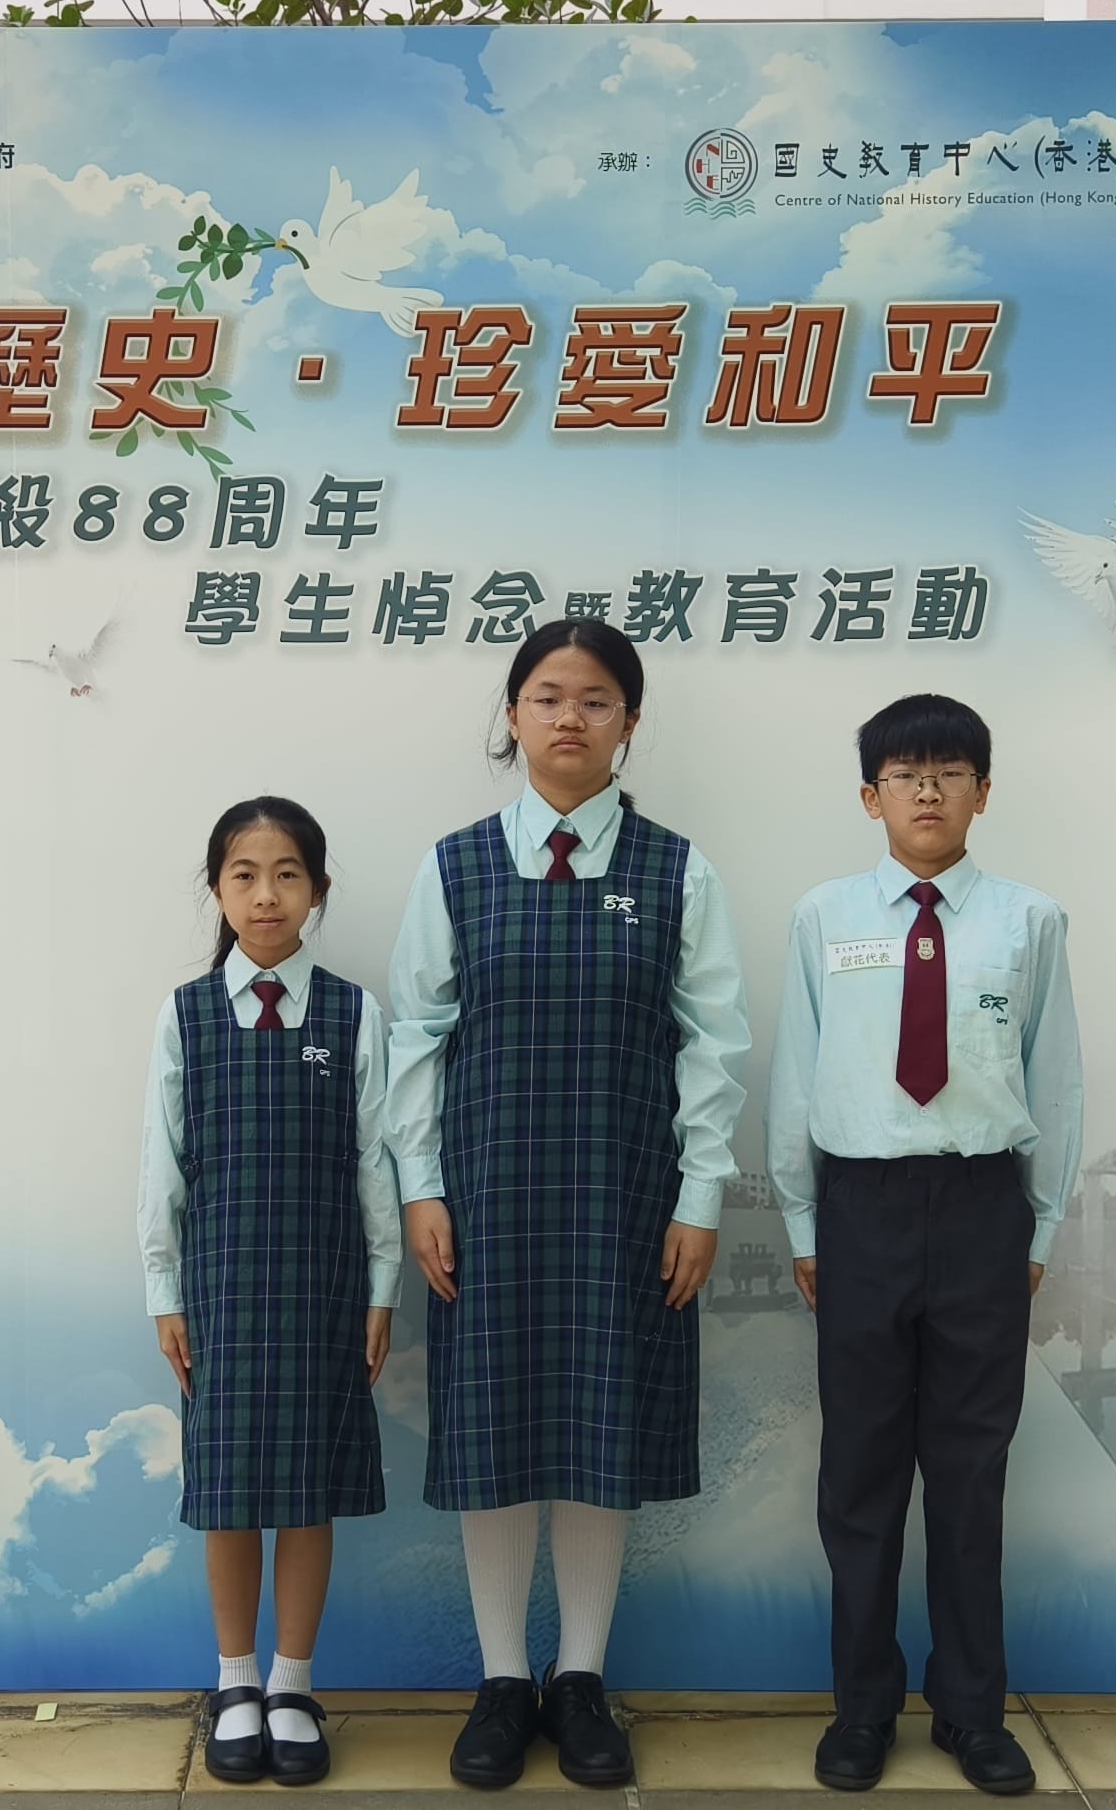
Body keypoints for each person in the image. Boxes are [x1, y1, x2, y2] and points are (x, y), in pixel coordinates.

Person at [388, 617, 749, 1790]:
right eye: (546, 696)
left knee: (602, 1434)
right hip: (484, 1200)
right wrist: (421, 1186)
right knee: (493, 1435)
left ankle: (581, 1678)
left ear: (628, 723)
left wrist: (700, 1197)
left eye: (595, 700)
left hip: (626, 1196)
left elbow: (714, 1046)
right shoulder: (455, 867)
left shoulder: (675, 870)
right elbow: (414, 1038)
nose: (568, 718)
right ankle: (503, 1681)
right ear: (512, 714)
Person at [766, 695, 1082, 1796]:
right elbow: (796, 1074)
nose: (929, 791)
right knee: (858, 1477)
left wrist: (1040, 1223)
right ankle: (861, 1710)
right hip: (859, 1210)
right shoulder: (823, 916)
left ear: (983, 792)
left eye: (950, 772)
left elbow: (1056, 1078)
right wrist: (802, 1220)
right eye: (905, 775)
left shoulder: (1030, 920)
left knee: (969, 1476)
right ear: (871, 797)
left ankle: (970, 1712)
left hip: (983, 1205)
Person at [140, 797, 397, 1788]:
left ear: (317, 891)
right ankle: (234, 1680)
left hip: (324, 1284)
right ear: (216, 888)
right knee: (229, 1491)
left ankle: (293, 1683)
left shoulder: (352, 1013)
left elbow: (377, 1162)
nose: (265, 894)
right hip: (219, 1288)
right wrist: (164, 1292)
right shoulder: (186, 1015)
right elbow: (160, 1168)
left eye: (287, 874)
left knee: (306, 1489)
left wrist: (382, 1287)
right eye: (244, 875)